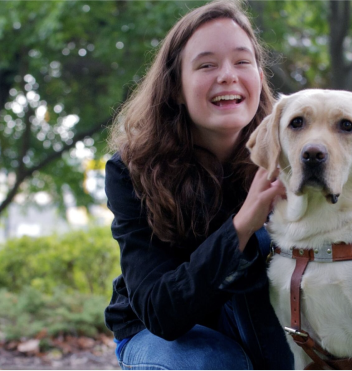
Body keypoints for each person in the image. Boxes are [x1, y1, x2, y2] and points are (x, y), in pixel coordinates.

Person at [104, 1, 294, 370]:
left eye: (242, 62)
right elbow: (161, 314)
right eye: (207, 65)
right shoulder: (132, 170)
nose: (228, 75)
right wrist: (243, 225)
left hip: (256, 323)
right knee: (214, 362)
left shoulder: (289, 154)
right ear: (175, 87)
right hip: (159, 334)